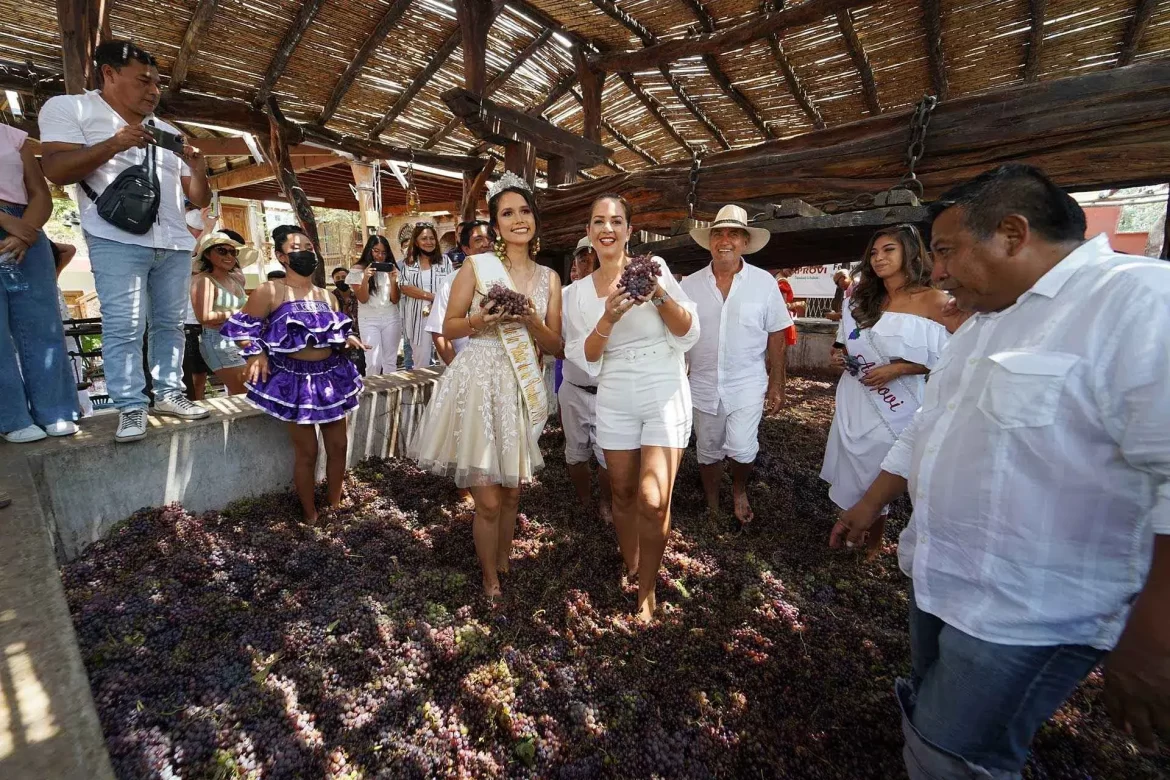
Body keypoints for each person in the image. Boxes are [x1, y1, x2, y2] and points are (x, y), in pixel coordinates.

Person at [831, 164, 1170, 777]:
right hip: (944, 579)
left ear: (1012, 234)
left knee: (953, 753)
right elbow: (928, 426)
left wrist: (1155, 633)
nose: (937, 271)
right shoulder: (985, 321)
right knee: (934, 716)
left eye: (945, 250)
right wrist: (871, 501)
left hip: (1029, 609)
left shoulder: (1139, 301)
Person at [38, 40, 211, 443]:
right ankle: (131, 405)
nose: (153, 90)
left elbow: (199, 198)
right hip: (114, 236)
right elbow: (56, 169)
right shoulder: (70, 109)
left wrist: (199, 167)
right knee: (124, 324)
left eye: (157, 84)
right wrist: (115, 143)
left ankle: (169, 393)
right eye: (143, 80)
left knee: (171, 324)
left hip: (173, 239)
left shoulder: (168, 131)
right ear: (109, 73)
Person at [410, 172, 563, 600]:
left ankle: (503, 559)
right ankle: (489, 577)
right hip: (478, 384)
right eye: (507, 214)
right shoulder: (476, 267)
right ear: (495, 225)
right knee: (490, 500)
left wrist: (531, 320)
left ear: (535, 220)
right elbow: (449, 325)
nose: (518, 220)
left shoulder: (550, 278)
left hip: (519, 388)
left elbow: (556, 345)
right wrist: (482, 320)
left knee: (512, 493)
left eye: (525, 211)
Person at [563, 193, 699, 623]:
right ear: (589, 232)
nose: (607, 228)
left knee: (653, 499)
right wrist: (607, 318)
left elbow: (688, 330)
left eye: (616, 221)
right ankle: (634, 564)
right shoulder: (575, 294)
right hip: (615, 391)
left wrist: (657, 294)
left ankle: (647, 592)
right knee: (621, 490)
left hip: (662, 386)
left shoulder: (652, 268)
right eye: (598, 221)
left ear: (629, 230)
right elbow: (584, 355)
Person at [819, 224, 953, 559]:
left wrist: (900, 368)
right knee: (852, 462)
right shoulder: (861, 298)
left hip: (897, 402)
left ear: (910, 252)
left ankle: (874, 540)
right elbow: (844, 343)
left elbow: (953, 359)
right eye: (874, 253)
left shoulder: (935, 301)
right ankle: (850, 523)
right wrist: (839, 357)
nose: (879, 258)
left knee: (879, 465)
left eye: (889, 250)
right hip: (855, 396)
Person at [221, 225, 366, 524]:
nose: (305, 254)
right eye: (296, 249)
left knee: (339, 446)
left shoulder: (327, 296)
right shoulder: (270, 291)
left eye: (309, 248)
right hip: (294, 381)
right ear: (281, 256)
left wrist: (345, 339)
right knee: (307, 452)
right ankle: (310, 514)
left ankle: (335, 506)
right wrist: (257, 353)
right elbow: (241, 329)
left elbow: (329, 334)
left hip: (330, 377)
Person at [680, 205, 792, 529]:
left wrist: (777, 383)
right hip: (702, 383)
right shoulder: (689, 285)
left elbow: (777, 333)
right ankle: (713, 505)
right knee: (707, 451)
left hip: (747, 383)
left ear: (745, 242)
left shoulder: (764, 283)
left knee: (742, 449)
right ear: (710, 241)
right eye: (718, 233)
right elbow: (679, 333)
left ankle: (739, 489)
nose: (724, 240)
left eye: (733, 234)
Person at [0, 122, 79, 442]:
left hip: (28, 229)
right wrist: (8, 222)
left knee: (42, 324)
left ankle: (55, 410)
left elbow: (41, 195)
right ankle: (11, 417)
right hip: (17, 225)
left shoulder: (12, 136)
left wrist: (26, 232)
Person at [559, 236, 612, 523]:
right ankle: (584, 501)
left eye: (593, 256)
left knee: (609, 457)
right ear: (575, 262)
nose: (588, 262)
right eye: (582, 257)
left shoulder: (619, 293)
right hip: (574, 388)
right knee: (575, 453)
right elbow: (556, 342)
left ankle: (605, 503)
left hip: (609, 391)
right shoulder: (564, 297)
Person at [190, 231, 251, 395]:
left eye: (233, 252)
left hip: (243, 339)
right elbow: (204, 317)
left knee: (248, 393)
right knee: (245, 392)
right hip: (219, 340)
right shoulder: (204, 281)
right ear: (207, 255)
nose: (229, 256)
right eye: (222, 251)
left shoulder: (236, 279)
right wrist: (239, 312)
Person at [428, 220, 493, 366]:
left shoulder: (508, 277)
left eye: (490, 238)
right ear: (466, 249)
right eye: (478, 240)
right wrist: (456, 369)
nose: (487, 244)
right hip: (468, 365)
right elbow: (438, 332)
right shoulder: (450, 282)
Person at [398, 223, 453, 370]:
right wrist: (434, 297)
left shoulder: (445, 261)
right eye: (424, 238)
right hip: (417, 316)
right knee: (421, 361)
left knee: (447, 359)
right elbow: (405, 287)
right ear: (416, 242)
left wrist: (435, 302)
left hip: (442, 314)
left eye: (432, 238)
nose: (429, 242)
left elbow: (451, 286)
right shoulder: (409, 263)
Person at [351, 235, 402, 375]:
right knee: (373, 362)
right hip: (369, 320)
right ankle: (372, 389)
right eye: (376, 251)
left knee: (390, 362)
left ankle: (392, 388)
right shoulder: (357, 270)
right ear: (369, 250)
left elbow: (395, 300)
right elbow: (363, 299)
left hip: (391, 317)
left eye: (384, 252)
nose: (380, 256)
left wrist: (393, 280)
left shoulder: (391, 269)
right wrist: (366, 278)